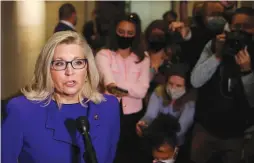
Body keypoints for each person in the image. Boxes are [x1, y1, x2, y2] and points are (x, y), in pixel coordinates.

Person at [2, 31, 120, 163]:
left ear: (87, 68)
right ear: (47, 69)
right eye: (59, 64)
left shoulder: (109, 107)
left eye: (78, 62)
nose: (70, 72)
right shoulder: (22, 111)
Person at [190, 7, 254, 163]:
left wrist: (247, 72)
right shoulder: (214, 44)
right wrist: (217, 55)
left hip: (237, 133)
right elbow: (195, 80)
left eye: (246, 26)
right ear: (229, 26)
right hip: (206, 128)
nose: (240, 30)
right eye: (236, 26)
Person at [95, 13, 150, 163]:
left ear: (136, 35)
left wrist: (119, 85)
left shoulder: (143, 57)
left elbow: (143, 91)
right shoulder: (103, 55)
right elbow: (111, 86)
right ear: (115, 32)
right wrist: (131, 88)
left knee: (132, 155)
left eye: (130, 33)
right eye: (121, 32)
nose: (125, 36)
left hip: (134, 115)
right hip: (110, 113)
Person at [137, 63, 195, 146]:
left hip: (174, 143)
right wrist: (143, 122)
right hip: (155, 138)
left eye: (179, 86)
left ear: (186, 87)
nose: (173, 89)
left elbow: (181, 129)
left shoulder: (189, 103)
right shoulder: (159, 92)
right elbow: (150, 115)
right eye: (170, 83)